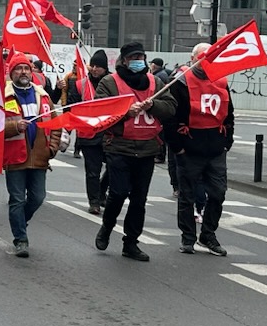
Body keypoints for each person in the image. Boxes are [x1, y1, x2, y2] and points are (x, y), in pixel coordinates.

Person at [93, 42, 177, 262]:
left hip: (147, 148)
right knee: (118, 193)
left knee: (139, 199)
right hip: (119, 147)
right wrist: (125, 112)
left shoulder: (156, 82)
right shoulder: (110, 82)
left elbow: (170, 108)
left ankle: (131, 242)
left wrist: (153, 106)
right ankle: (107, 227)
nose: (137, 60)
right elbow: (100, 110)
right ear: (123, 60)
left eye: (140, 56)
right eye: (132, 57)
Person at [167, 42, 233, 256]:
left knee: (218, 194)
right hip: (189, 150)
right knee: (187, 196)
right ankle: (188, 238)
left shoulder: (221, 80)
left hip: (215, 149)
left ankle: (208, 234)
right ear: (193, 58)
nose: (206, 62)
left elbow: (229, 113)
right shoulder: (180, 82)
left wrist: (226, 141)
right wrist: (177, 148)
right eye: (202, 57)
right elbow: (170, 116)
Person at [2, 52, 61, 258]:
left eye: (26, 68)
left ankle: (20, 221)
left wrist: (52, 148)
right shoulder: (3, 95)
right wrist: (13, 126)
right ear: (12, 73)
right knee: (17, 199)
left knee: (37, 197)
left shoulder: (42, 95)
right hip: (14, 156)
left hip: (39, 157)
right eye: (19, 68)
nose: (24, 72)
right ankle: (21, 239)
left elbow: (55, 124)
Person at [67, 50, 110, 214]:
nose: (94, 69)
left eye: (98, 66)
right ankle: (94, 202)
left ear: (105, 68)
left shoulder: (113, 82)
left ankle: (101, 190)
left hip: (109, 134)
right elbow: (71, 106)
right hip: (88, 134)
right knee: (93, 170)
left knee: (114, 167)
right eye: (92, 65)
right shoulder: (80, 84)